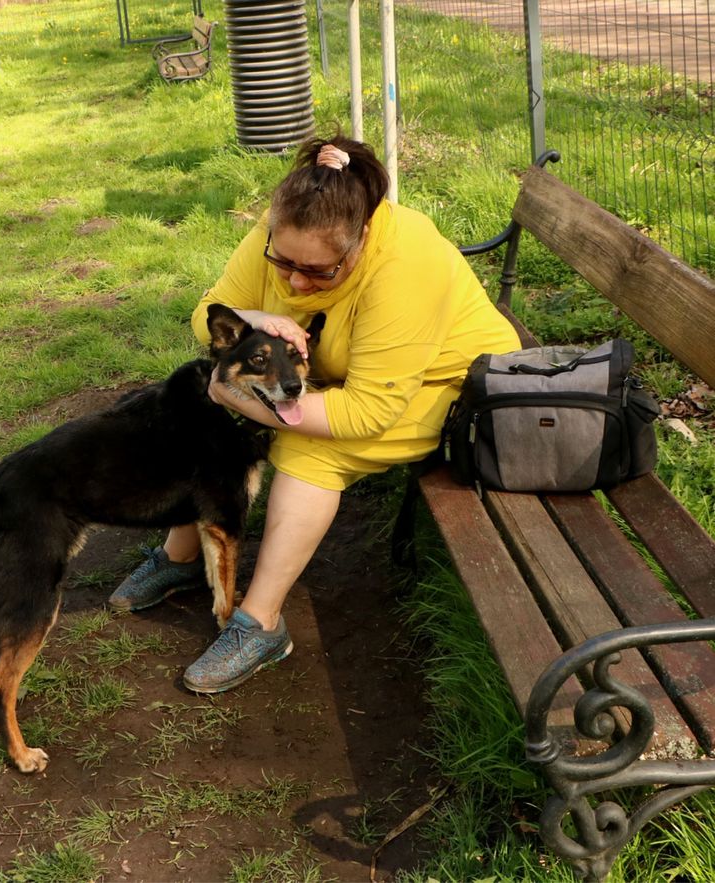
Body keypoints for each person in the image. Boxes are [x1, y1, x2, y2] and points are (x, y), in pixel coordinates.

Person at [108, 133, 521, 693]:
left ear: (360, 240)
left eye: (319, 273)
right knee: (216, 417)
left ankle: (261, 623)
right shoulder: (285, 227)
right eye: (283, 263)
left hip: (447, 386)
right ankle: (183, 556)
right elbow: (209, 311)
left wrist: (238, 397)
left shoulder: (406, 265)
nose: (297, 282)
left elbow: (367, 412)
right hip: (348, 373)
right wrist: (251, 313)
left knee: (305, 446)